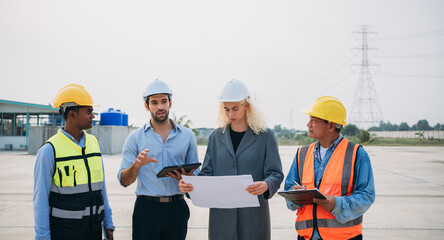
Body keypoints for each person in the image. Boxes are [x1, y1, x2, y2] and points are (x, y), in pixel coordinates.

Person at [179, 79, 284, 240]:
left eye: (235, 108)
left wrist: (266, 185)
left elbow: (275, 174)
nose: (230, 114)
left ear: (246, 105)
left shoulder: (266, 136)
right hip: (222, 221)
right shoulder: (215, 137)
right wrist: (191, 185)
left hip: (253, 219)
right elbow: (207, 173)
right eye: (226, 109)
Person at [118, 79, 199, 240]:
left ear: (170, 103)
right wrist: (137, 165)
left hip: (177, 208)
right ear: (147, 106)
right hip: (146, 210)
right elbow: (124, 180)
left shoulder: (187, 136)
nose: (160, 107)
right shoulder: (135, 138)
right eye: (154, 102)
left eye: (164, 101)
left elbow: (196, 181)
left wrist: (184, 178)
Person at [284, 96, 375, 240]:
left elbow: (366, 196)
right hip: (306, 237)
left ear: (331, 126)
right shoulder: (302, 153)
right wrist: (295, 196)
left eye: (314, 120)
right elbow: (289, 187)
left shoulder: (357, 154)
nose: (308, 124)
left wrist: (336, 205)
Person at [33, 84, 115, 240]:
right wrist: (43, 237)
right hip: (64, 232)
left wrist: (108, 223)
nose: (93, 116)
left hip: (93, 231)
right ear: (72, 114)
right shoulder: (49, 150)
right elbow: (40, 199)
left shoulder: (94, 143)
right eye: (89, 112)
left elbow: (101, 188)